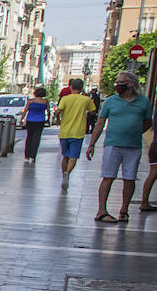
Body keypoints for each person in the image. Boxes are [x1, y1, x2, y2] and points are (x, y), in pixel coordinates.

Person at [86, 72, 153, 222]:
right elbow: (100, 123)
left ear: (131, 84)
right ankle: (101, 211)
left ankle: (124, 210)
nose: (118, 85)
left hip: (133, 146)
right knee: (108, 177)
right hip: (112, 144)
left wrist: (135, 132)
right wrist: (92, 144)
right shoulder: (110, 102)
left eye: (121, 82)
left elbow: (148, 123)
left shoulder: (143, 102)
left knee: (129, 179)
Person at [55, 78, 95, 190]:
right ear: (82, 88)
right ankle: (68, 173)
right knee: (73, 157)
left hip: (64, 132)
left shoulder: (65, 99)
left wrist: (58, 118)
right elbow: (93, 111)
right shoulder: (86, 100)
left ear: (71, 87)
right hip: (78, 132)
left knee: (65, 156)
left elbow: (58, 110)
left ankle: (64, 175)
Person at [22, 87, 50, 164]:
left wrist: (22, 119)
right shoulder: (45, 101)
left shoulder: (30, 101)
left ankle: (27, 156)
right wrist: (48, 119)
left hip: (30, 120)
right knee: (36, 139)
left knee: (29, 138)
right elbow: (48, 111)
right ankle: (33, 156)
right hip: (40, 121)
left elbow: (25, 110)